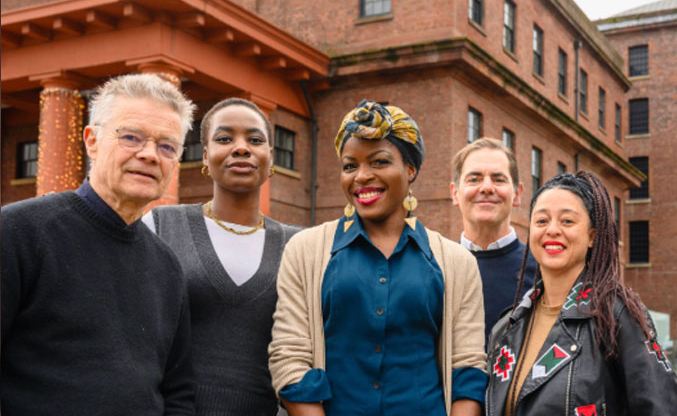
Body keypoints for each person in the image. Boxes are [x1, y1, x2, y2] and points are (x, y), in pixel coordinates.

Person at [269, 100, 487, 416]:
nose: (362, 176)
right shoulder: (304, 251)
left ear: (410, 169)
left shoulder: (456, 262)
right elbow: (289, 357)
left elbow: (467, 367)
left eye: (379, 161)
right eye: (349, 166)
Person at [1, 74, 197, 415]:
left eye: (167, 146)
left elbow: (177, 391)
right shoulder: (19, 232)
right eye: (131, 137)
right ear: (92, 141)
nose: (150, 154)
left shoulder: (167, 266)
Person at [142, 97, 299, 415]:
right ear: (205, 155)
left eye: (255, 140)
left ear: (270, 157)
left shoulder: (298, 246)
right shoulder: (159, 226)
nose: (241, 148)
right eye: (225, 138)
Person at [485, 172, 677, 416]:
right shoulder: (507, 328)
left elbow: (663, 408)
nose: (552, 230)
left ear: (592, 236)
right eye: (541, 221)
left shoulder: (616, 317)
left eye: (567, 221)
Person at [450, 138, 537, 339]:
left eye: (499, 179)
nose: (487, 187)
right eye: (474, 179)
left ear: (517, 194)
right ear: (455, 193)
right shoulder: (436, 268)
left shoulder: (544, 271)